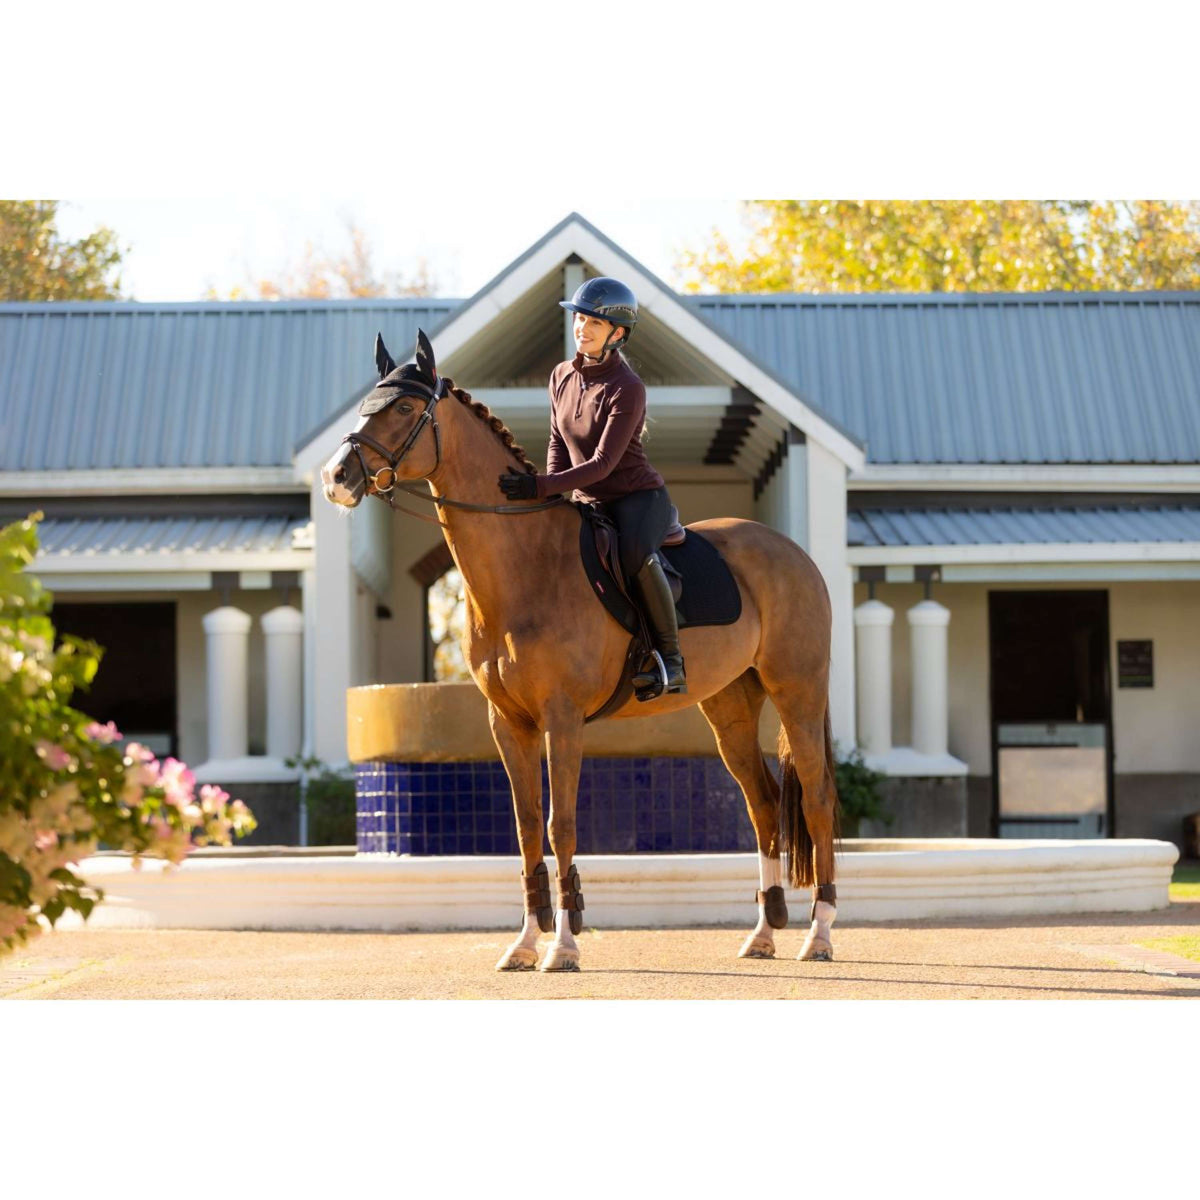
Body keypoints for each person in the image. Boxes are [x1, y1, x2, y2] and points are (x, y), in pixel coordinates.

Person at [498, 276, 685, 696]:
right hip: (587, 500)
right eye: (580, 319)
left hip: (637, 498)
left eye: (594, 323)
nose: (582, 328)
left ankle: (670, 661)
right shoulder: (561, 375)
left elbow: (601, 465)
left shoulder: (628, 388)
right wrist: (551, 496)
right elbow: (556, 441)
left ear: (617, 334)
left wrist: (540, 487)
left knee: (635, 554)